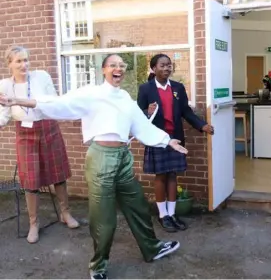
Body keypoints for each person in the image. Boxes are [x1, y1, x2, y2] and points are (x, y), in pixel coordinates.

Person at [0, 53, 186, 280]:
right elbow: (56, 103)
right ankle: (98, 266)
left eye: (122, 65)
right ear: (104, 70)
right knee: (103, 218)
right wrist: (18, 101)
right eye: (113, 65)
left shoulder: (125, 96)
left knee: (138, 205)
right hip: (101, 158)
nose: (118, 69)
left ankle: (152, 248)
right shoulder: (91, 93)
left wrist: (168, 140)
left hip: (123, 158)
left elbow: (140, 124)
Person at [0, 46, 79, 244]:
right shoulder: (4, 86)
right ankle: (33, 224)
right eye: (18, 61)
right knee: (30, 179)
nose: (24, 64)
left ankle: (65, 213)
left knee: (58, 175)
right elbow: (4, 115)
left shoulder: (41, 76)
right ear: (9, 64)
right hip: (25, 133)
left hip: (48, 127)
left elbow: (51, 101)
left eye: (26, 60)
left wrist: (21, 101)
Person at [137, 54, 214, 232]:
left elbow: (186, 112)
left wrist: (202, 125)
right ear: (154, 68)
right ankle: (162, 215)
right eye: (162, 65)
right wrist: (146, 111)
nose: (166, 68)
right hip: (157, 138)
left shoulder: (178, 88)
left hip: (176, 138)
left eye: (169, 65)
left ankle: (172, 214)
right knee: (161, 176)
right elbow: (138, 116)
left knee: (173, 175)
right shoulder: (146, 89)